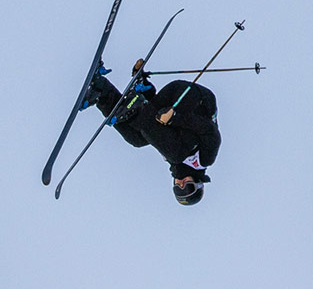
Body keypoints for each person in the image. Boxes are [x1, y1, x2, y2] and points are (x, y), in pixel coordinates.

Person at [87, 64, 222, 205]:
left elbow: (155, 129)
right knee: (176, 154)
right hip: (195, 97)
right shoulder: (203, 159)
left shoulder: (174, 159)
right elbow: (209, 130)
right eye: (188, 187)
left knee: (137, 139)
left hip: (170, 100)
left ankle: (101, 91)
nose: (181, 184)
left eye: (178, 189)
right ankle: (136, 108)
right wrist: (175, 118)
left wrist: (151, 97)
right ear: (199, 183)